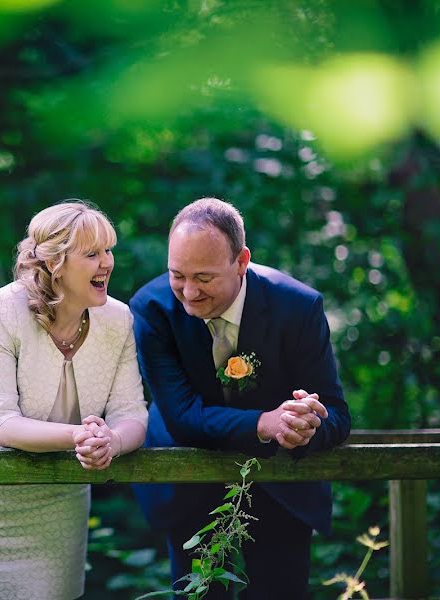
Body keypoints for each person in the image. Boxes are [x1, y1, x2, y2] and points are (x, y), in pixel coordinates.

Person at [131, 198, 351, 599]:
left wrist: (305, 426)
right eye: (176, 274)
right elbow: (182, 415)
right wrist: (264, 423)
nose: (189, 292)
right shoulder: (152, 309)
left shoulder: (298, 308)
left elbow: (336, 412)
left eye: (204, 277)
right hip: (190, 482)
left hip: (280, 485)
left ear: (241, 261)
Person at [0, 201, 149, 600]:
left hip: (59, 500)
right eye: (92, 254)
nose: (107, 263)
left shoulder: (119, 320)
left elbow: (130, 412)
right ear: (55, 264)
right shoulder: (1, 311)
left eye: (108, 250)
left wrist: (112, 442)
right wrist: (81, 436)